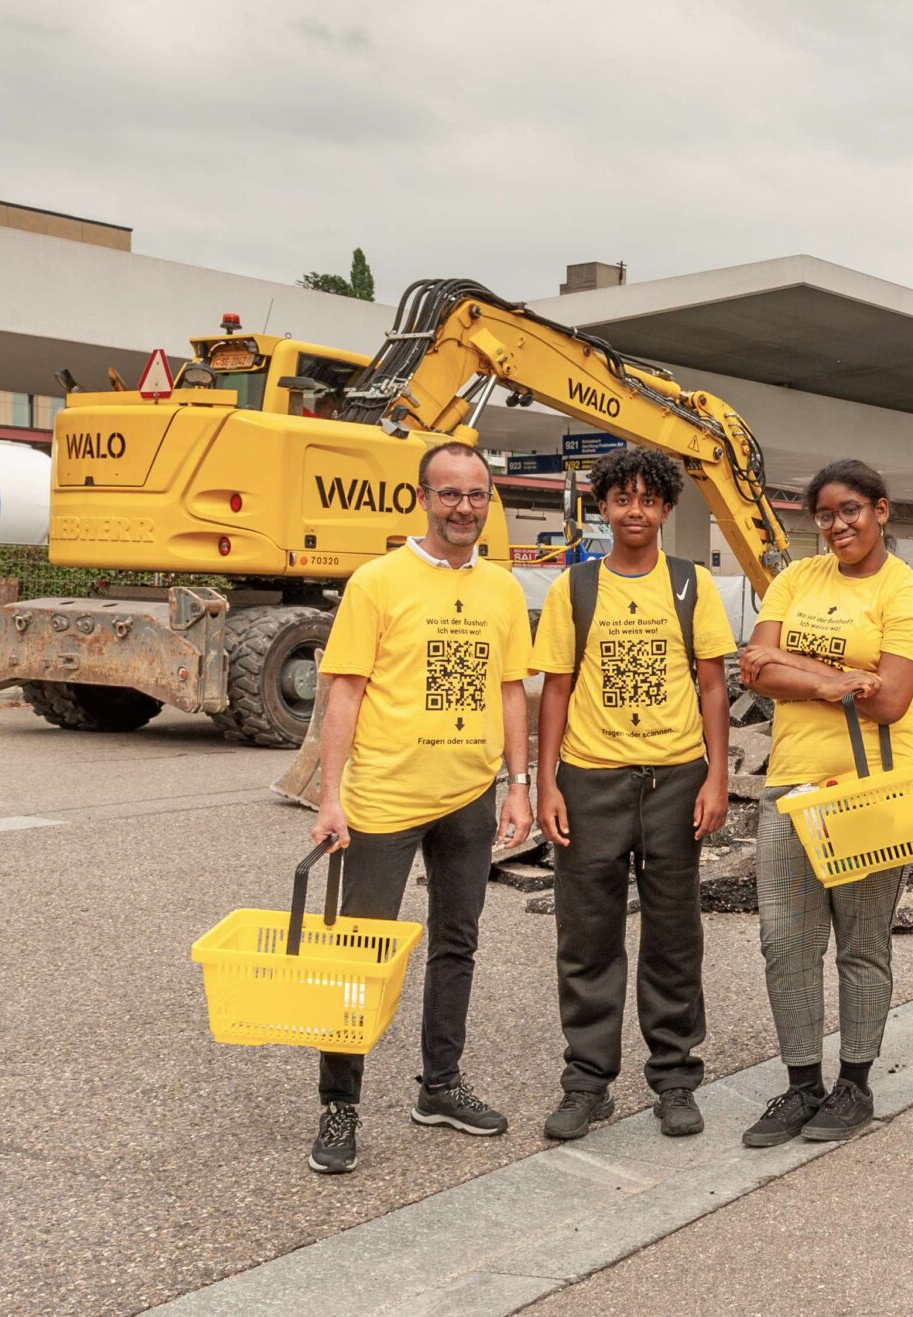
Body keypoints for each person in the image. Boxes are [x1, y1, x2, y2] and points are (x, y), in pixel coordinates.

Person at [306, 441, 532, 1175]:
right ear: (423, 498)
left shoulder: (501, 589)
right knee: (357, 956)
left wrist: (518, 782)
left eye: (476, 494)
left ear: (488, 499)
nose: (463, 507)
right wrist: (330, 795)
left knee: (456, 944)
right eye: (449, 494)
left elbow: (508, 691)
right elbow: (344, 691)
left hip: (469, 795)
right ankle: (339, 1104)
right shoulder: (377, 582)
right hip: (382, 802)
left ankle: (439, 1085)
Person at [734, 460, 913, 1146]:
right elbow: (753, 666)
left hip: (871, 790)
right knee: (784, 942)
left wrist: (796, 673)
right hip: (792, 783)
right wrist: (832, 683)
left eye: (851, 510)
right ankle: (802, 1086)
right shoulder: (796, 579)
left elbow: (888, 697)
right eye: (824, 514)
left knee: (861, 942)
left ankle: (854, 1083)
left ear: (882, 510)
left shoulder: (910, 594)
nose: (837, 525)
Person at [530, 449, 735, 1142]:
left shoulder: (690, 585)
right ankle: (586, 1082)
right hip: (591, 780)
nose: (636, 510)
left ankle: (675, 1076)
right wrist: (546, 780)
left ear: (667, 508)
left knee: (674, 935)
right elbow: (554, 687)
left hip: (676, 779)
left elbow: (713, 685)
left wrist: (717, 775)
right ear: (603, 507)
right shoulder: (575, 588)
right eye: (623, 499)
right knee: (587, 935)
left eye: (649, 499)